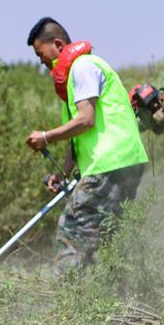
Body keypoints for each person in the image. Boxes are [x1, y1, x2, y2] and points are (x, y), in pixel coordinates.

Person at [24, 17, 148, 277]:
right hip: (123, 161)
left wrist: (46, 137)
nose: (40, 61)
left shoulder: (83, 67)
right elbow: (76, 136)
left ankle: (67, 305)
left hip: (111, 163)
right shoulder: (70, 80)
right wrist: (64, 173)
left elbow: (86, 120)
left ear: (57, 44)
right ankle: (113, 299)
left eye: (40, 53)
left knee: (71, 230)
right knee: (106, 239)